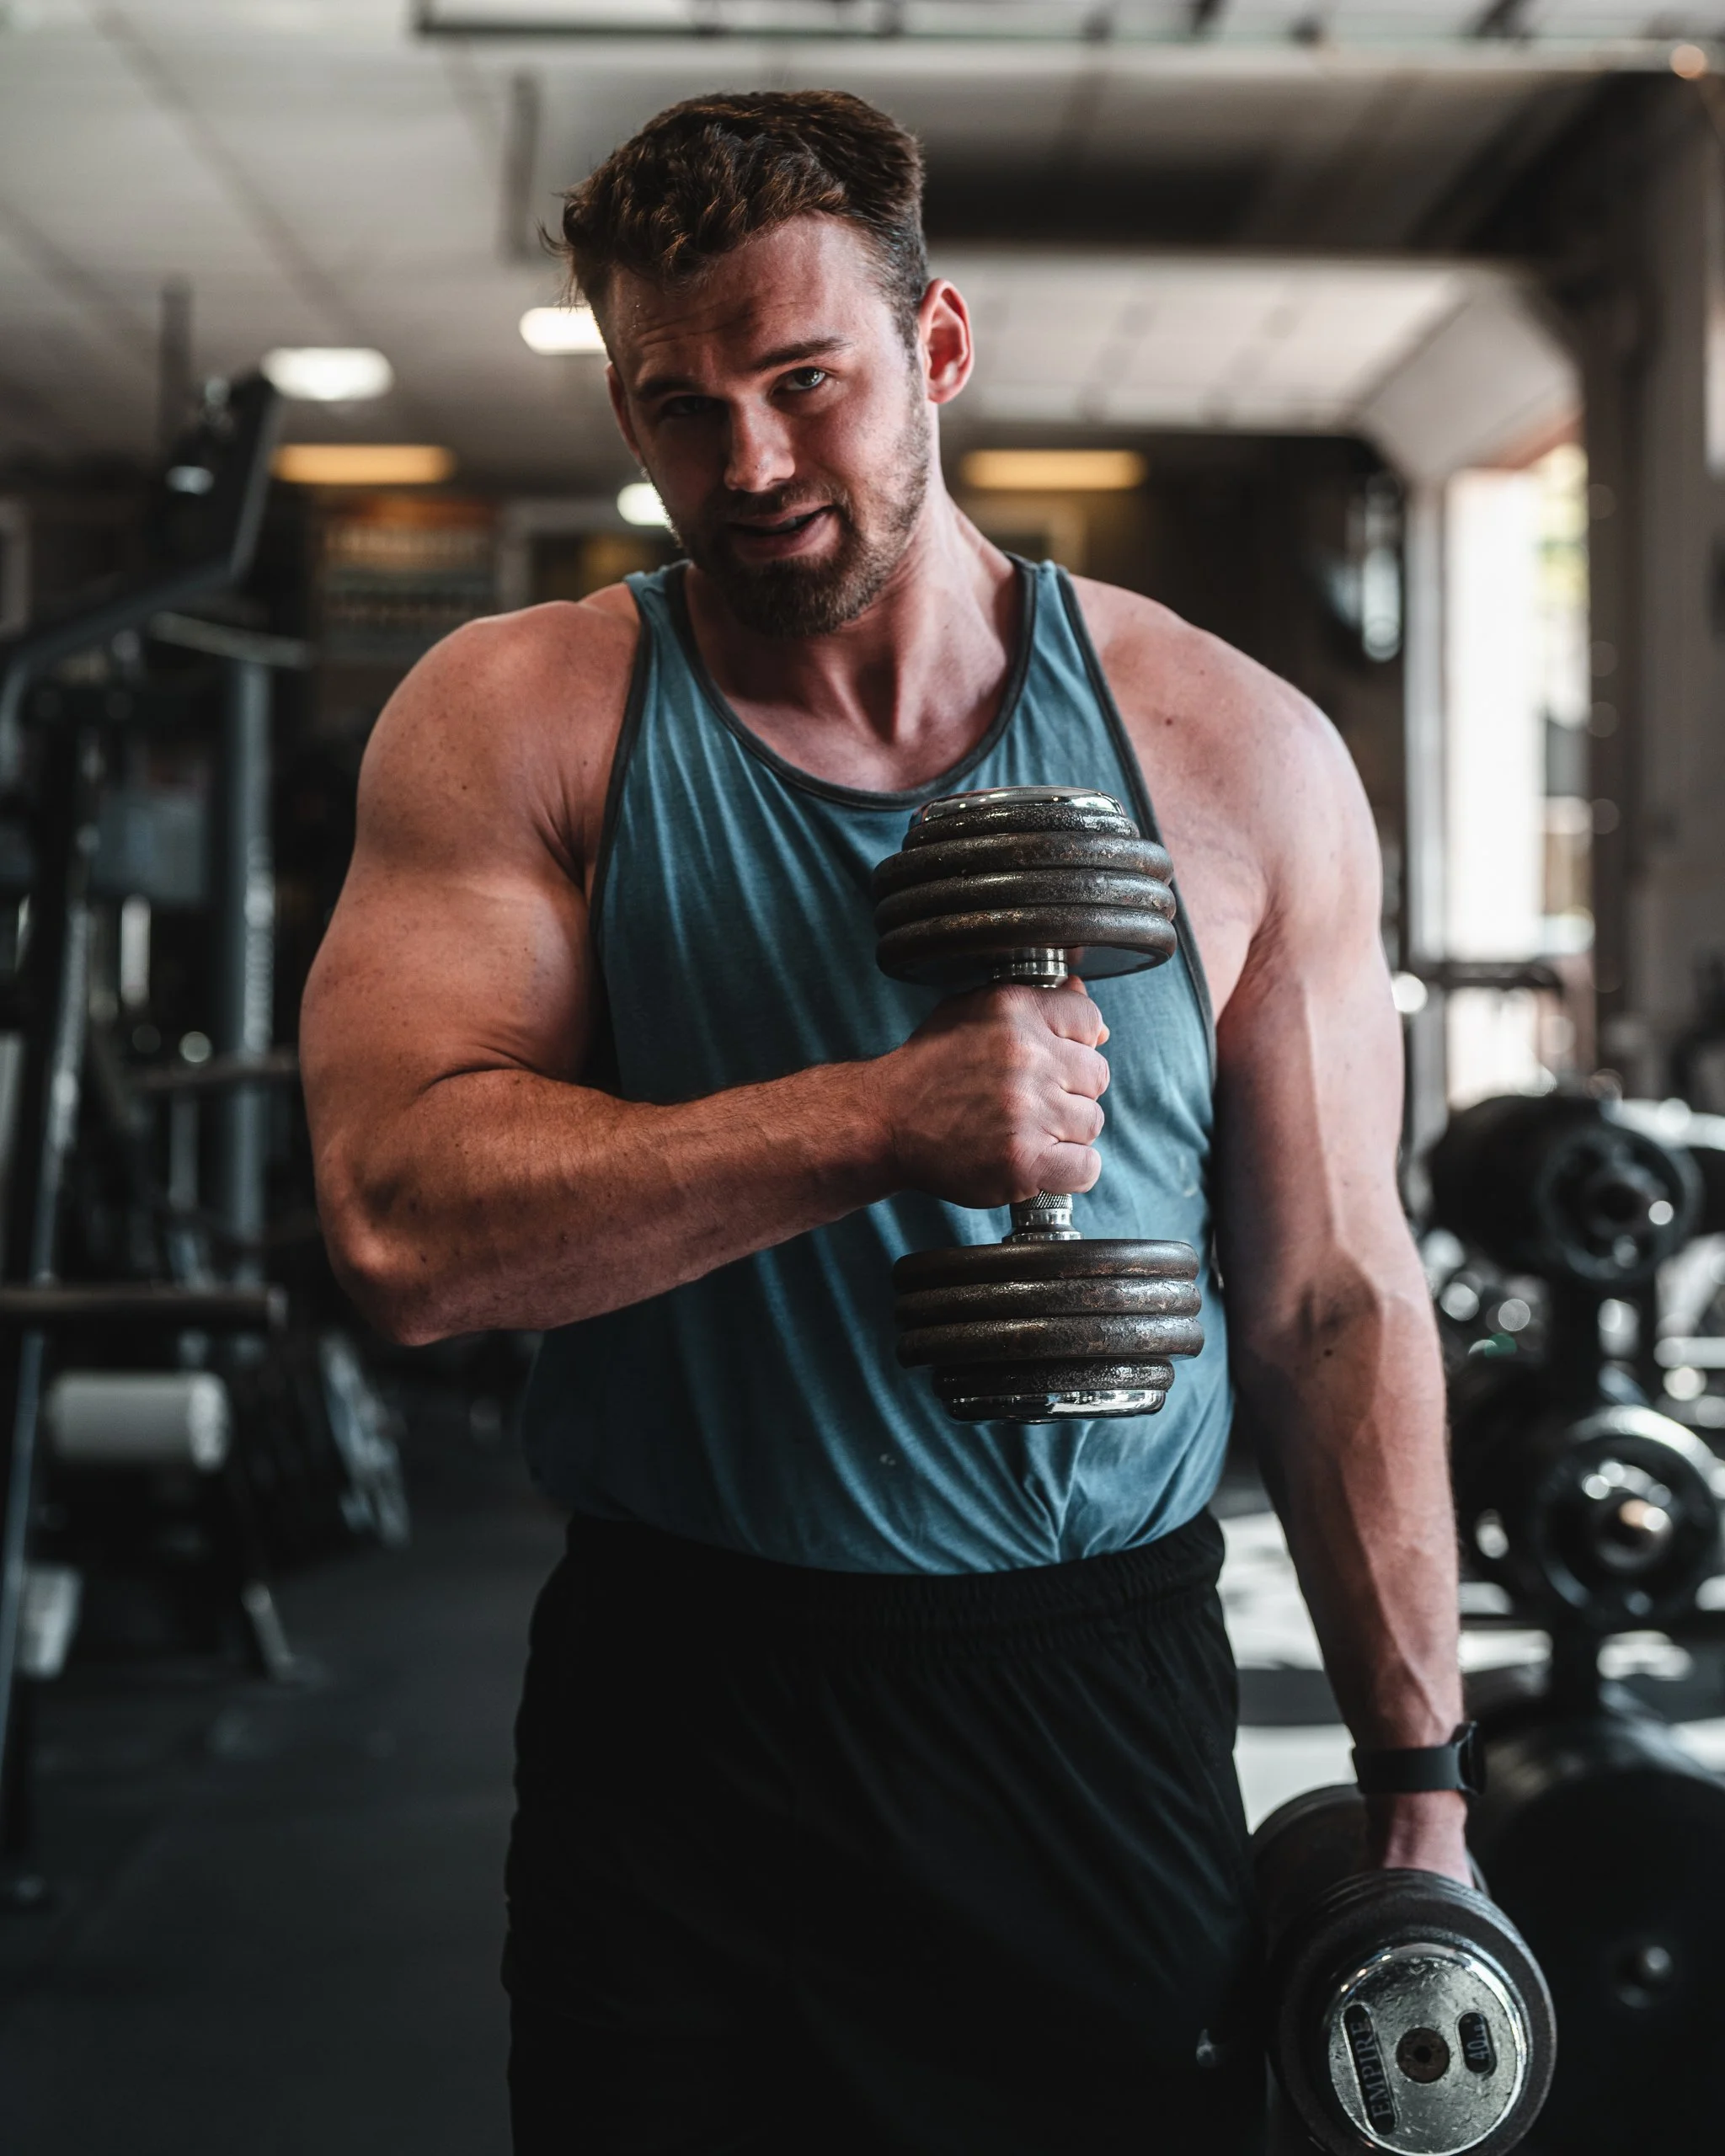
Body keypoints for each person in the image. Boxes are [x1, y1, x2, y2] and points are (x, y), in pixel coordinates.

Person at [302, 88, 1469, 2156]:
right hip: (686, 1699)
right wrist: (871, 1119)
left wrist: (1421, 1777)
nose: (742, 463)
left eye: (801, 380)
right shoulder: (525, 717)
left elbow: (1323, 1303)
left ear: (934, 349)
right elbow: (403, 1231)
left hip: (1082, 1693)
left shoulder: (1229, 750)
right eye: (677, 406)